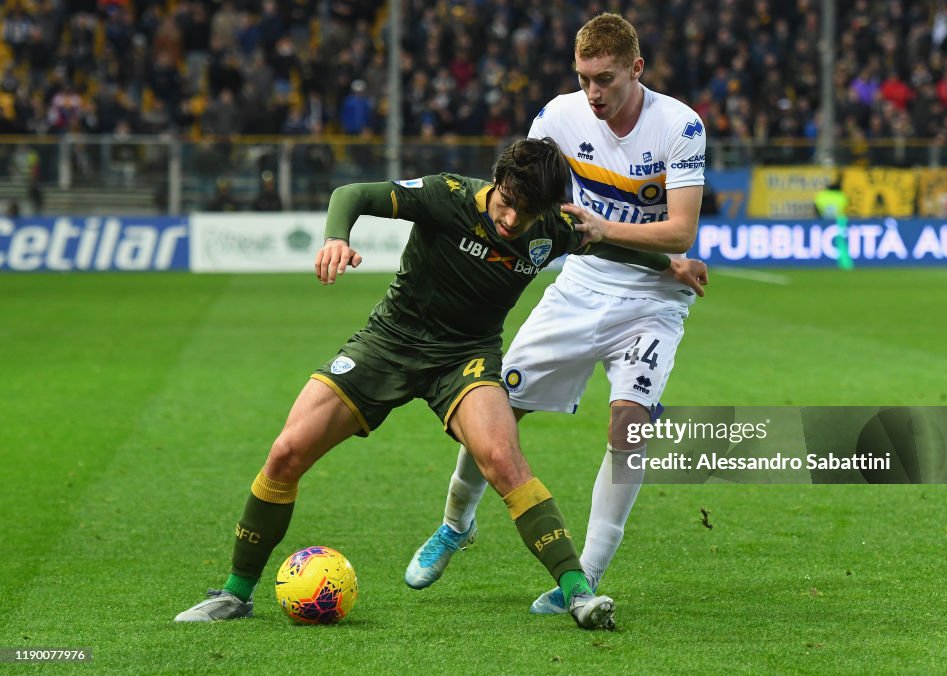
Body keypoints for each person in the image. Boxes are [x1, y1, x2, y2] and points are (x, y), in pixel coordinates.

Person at [174, 137, 707, 630]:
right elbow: (351, 193)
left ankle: (577, 593)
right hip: (389, 343)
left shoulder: (551, 228)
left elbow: (607, 246)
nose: (512, 219)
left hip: (465, 360)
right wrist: (336, 237)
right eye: (507, 203)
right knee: (287, 452)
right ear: (496, 183)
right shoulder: (444, 194)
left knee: (504, 461)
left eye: (527, 213)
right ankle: (235, 593)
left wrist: (671, 266)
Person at [406, 13, 709, 615]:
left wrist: (622, 237)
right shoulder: (558, 118)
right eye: (584, 78)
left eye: (606, 79)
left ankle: (586, 575)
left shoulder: (680, 125)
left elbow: (682, 228)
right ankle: (456, 524)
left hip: (652, 302)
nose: (594, 93)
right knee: (493, 410)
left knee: (630, 425)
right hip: (581, 285)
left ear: (636, 69)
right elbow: (524, 189)